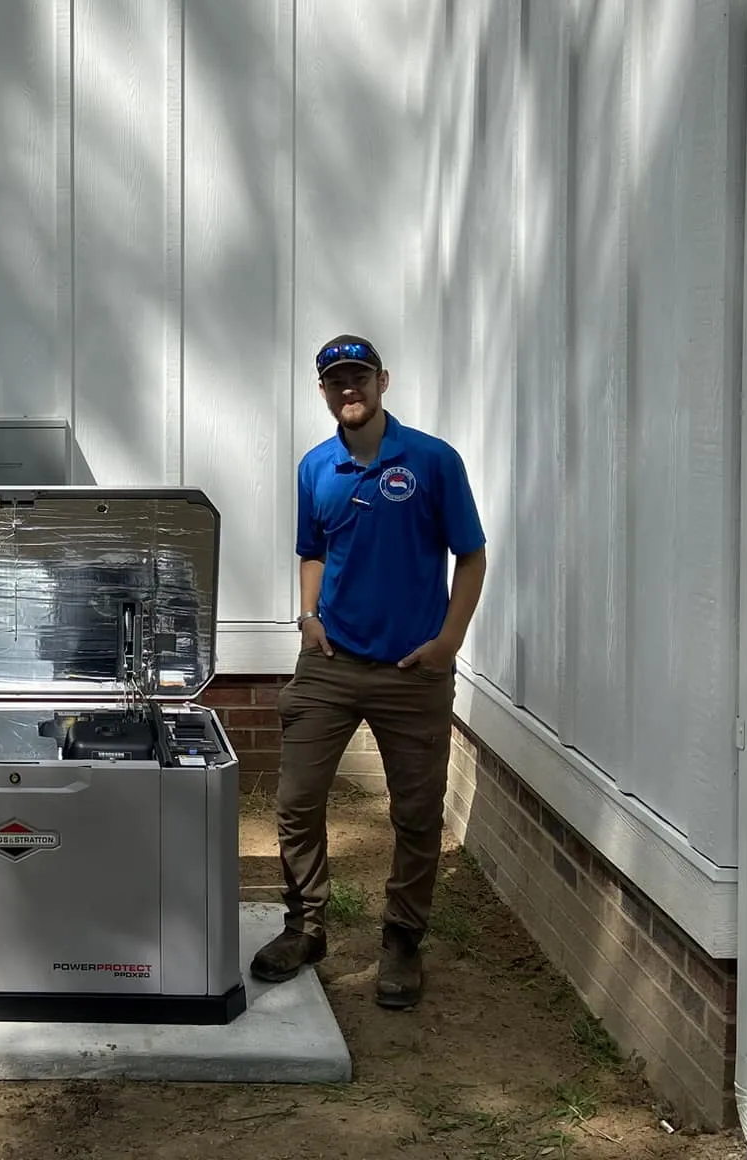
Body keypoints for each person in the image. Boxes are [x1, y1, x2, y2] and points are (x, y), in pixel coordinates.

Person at [249, 334, 487, 1010]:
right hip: (330, 663)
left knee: (416, 813)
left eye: (359, 377)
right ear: (323, 390)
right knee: (297, 800)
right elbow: (313, 551)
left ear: (383, 381)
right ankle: (305, 928)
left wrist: (448, 642)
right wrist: (307, 616)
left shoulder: (433, 461)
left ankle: (403, 941)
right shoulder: (315, 467)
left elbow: (471, 555)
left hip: (414, 671)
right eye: (335, 380)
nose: (348, 389)